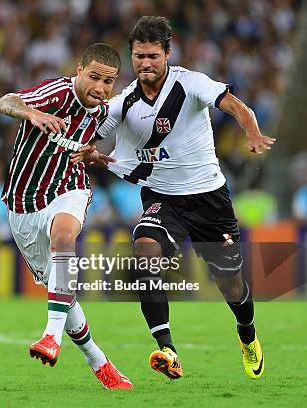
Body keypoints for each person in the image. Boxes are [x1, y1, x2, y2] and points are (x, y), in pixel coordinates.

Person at [72, 17, 274, 380]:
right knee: (145, 251)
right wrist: (87, 151)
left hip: (209, 199)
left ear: (167, 52)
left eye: (152, 55)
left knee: (230, 284)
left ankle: (247, 333)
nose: (145, 63)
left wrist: (253, 133)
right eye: (138, 56)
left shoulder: (191, 83)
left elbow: (237, 107)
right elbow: (92, 132)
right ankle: (167, 349)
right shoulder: (125, 101)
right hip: (162, 198)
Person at [0, 43, 132, 389]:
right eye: (94, 78)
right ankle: (98, 361)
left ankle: (50, 336)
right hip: (22, 205)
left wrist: (95, 156)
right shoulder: (56, 92)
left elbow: (94, 148)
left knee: (64, 239)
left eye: (108, 82)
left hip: (69, 189)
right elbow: (4, 102)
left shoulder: (102, 113)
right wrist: (31, 114)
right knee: (62, 290)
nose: (100, 88)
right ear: (79, 70)